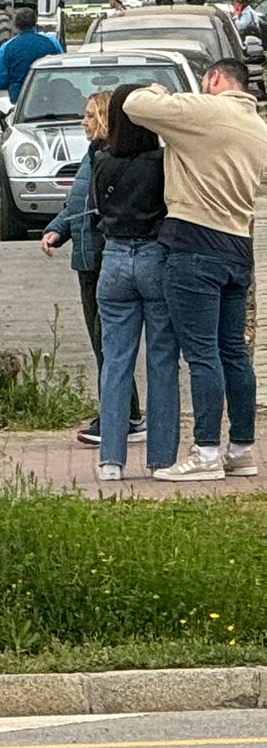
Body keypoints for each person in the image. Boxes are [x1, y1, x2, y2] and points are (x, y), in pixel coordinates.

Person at [122, 59, 267, 480]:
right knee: (233, 353)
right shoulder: (258, 128)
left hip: (193, 241)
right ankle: (241, 448)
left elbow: (134, 105)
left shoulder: (204, 111)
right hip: (238, 247)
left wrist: (160, 91)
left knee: (201, 353)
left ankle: (205, 451)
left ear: (216, 79)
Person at [41, 93, 143, 448]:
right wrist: (58, 229)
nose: (82, 122)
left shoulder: (108, 157)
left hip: (103, 258)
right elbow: (77, 204)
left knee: (107, 343)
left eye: (87, 115)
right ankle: (127, 412)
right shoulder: (91, 156)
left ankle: (120, 416)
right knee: (102, 344)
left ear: (102, 117)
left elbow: (97, 206)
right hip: (87, 259)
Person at [89, 85, 179, 480]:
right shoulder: (161, 161)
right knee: (162, 361)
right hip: (154, 256)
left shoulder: (100, 161)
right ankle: (161, 458)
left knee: (116, 362)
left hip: (114, 260)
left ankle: (111, 459)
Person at [0, 5, 63, 101]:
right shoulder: (52, 42)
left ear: (15, 26)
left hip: (20, 99)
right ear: (35, 24)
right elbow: (62, 69)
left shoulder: (6, 47)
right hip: (48, 96)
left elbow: (1, 81)